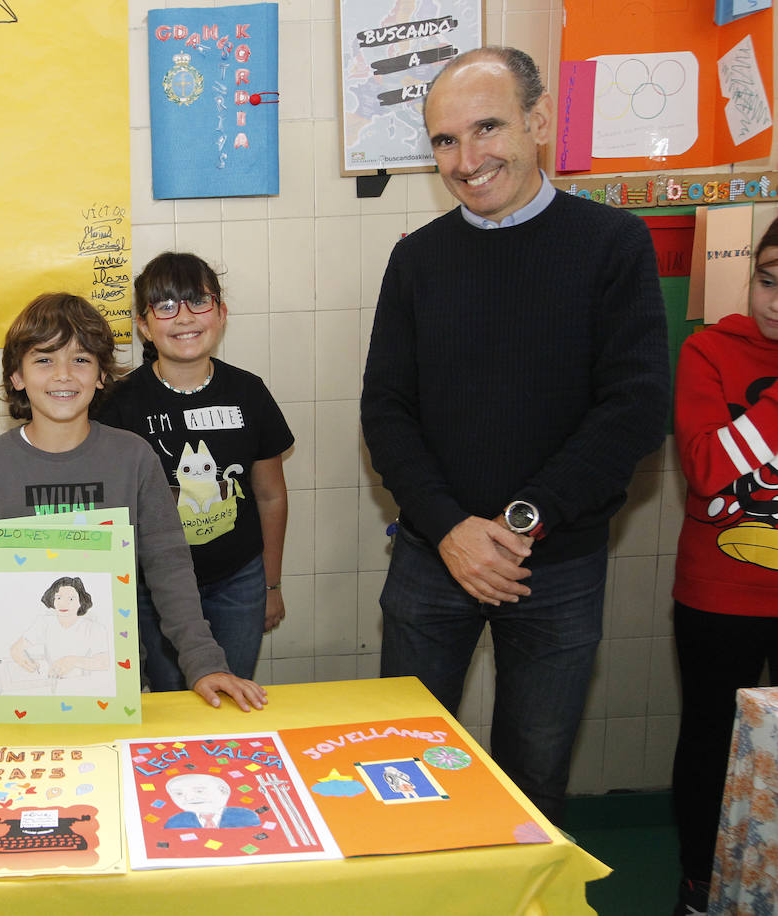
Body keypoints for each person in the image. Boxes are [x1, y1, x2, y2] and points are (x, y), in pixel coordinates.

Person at [359, 46, 670, 825]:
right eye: (443, 141)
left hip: (554, 566)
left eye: (486, 128)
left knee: (533, 778)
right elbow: (385, 410)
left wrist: (522, 521)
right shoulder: (416, 260)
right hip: (434, 560)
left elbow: (633, 408)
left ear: (536, 123)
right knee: (403, 769)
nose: (466, 161)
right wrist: (453, 529)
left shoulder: (612, 245)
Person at [0, 293, 268, 722]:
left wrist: (204, 662)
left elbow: (170, 568)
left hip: (114, 687)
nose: (64, 375)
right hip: (15, 691)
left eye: (82, 360)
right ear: (16, 376)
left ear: (103, 374)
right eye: (44, 360)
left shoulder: (134, 458)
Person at [98, 252, 292, 689]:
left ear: (221, 313)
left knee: (232, 695)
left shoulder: (249, 392)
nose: (183, 317)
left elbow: (270, 495)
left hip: (238, 582)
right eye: (165, 305)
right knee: (173, 708)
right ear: (144, 325)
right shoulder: (117, 404)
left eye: (197, 301)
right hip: (151, 592)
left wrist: (271, 586)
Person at [668, 216, 778, 915]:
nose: (776, 302)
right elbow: (708, 467)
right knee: (712, 740)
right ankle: (700, 886)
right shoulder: (711, 349)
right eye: (769, 282)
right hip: (722, 593)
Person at [8, 576, 112, 695]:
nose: (63, 604)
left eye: (71, 599)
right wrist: (23, 660)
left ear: (81, 602)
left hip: (83, 689)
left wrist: (71, 661)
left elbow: (104, 662)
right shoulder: (44, 623)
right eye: (59, 598)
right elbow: (16, 649)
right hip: (50, 686)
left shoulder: (93, 628)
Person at [163, 773, 260, 829]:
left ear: (223, 791)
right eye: (179, 793)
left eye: (199, 791)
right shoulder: (175, 822)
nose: (189, 798)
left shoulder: (246, 816)